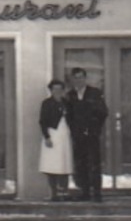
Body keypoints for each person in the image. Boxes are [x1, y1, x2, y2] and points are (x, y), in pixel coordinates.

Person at [64, 66, 108, 201]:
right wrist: (74, 130)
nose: (79, 81)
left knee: (94, 163)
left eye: (81, 78)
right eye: (76, 78)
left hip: (92, 134)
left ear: (85, 78)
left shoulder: (95, 93)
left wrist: (94, 128)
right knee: (80, 163)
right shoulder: (70, 95)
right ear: (72, 80)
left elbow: (103, 112)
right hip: (78, 135)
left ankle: (97, 193)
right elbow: (69, 116)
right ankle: (85, 192)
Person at [37, 79, 74, 201]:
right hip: (53, 134)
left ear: (63, 91)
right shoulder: (47, 103)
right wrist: (47, 137)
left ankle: (63, 191)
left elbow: (72, 119)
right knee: (52, 165)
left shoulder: (66, 102)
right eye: (55, 89)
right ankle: (53, 193)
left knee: (64, 163)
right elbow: (42, 121)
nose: (57, 91)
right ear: (51, 90)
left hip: (64, 135)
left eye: (60, 89)